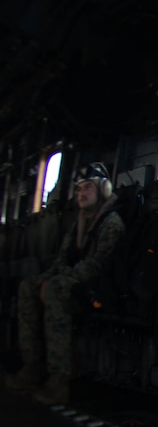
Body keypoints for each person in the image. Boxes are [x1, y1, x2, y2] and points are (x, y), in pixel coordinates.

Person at [6, 162, 125, 404]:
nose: (81, 193)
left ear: (103, 189)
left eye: (88, 187)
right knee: (28, 286)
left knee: (57, 289)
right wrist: (44, 280)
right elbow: (62, 260)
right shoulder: (79, 224)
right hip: (76, 285)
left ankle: (59, 379)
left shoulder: (112, 223)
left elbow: (97, 265)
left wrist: (58, 281)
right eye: (79, 189)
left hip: (98, 290)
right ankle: (33, 365)